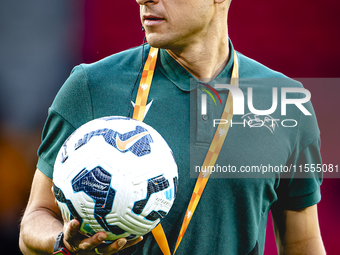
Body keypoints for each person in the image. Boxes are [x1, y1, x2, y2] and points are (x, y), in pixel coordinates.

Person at [19, 0, 326, 254]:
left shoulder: (288, 102)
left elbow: (302, 241)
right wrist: (61, 242)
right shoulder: (89, 85)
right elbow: (36, 217)